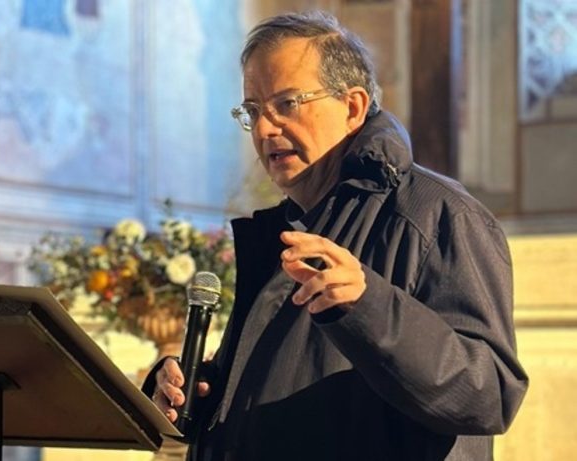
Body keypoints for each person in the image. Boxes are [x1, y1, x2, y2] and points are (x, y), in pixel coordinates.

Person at [143, 10, 528, 461]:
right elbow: (294, 384)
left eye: (287, 104)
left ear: (353, 107)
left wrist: (369, 306)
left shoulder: (439, 215)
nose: (265, 129)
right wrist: (200, 393)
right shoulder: (283, 228)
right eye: (253, 111)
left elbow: (488, 394)